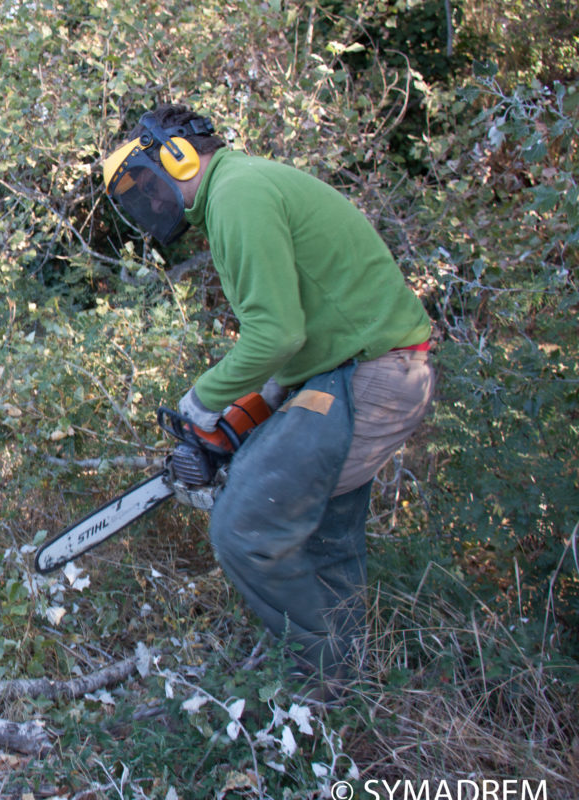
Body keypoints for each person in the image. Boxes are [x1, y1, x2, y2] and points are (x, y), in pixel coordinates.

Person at [101, 103, 435, 696]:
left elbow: (277, 334)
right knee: (326, 534)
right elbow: (297, 338)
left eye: (144, 185)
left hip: (369, 376)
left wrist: (201, 405)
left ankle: (324, 681)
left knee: (245, 526)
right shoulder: (241, 188)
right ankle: (349, 689)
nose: (147, 205)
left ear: (176, 157)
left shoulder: (237, 195)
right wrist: (241, 421)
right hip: (356, 369)